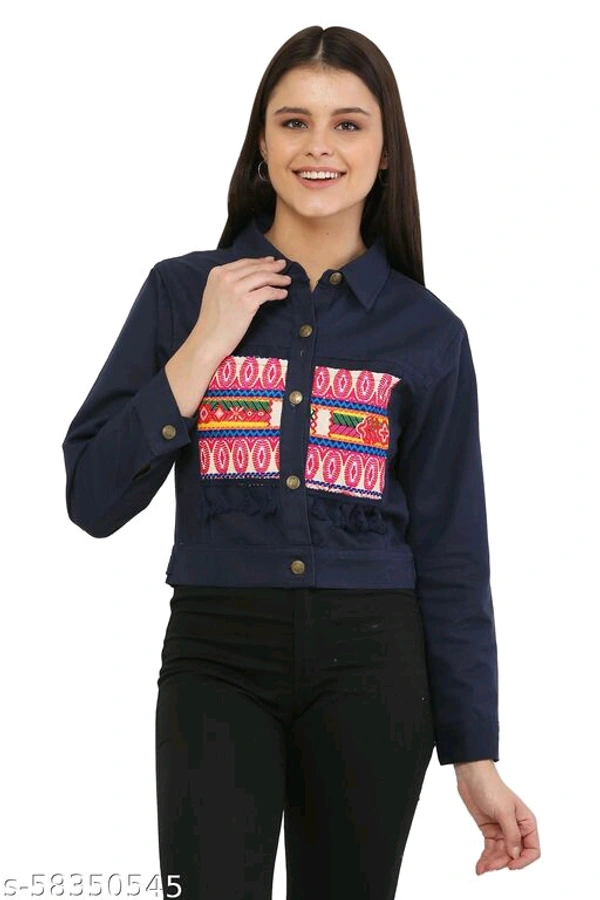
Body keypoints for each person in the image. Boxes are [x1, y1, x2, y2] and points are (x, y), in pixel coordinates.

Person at [62, 24, 541, 898]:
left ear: (385, 152)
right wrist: (204, 346)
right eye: (294, 122)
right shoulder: (183, 293)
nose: (319, 146)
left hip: (376, 667)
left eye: (348, 124)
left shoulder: (430, 334)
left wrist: (475, 755)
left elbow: (453, 556)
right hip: (215, 659)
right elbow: (93, 499)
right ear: (261, 143)